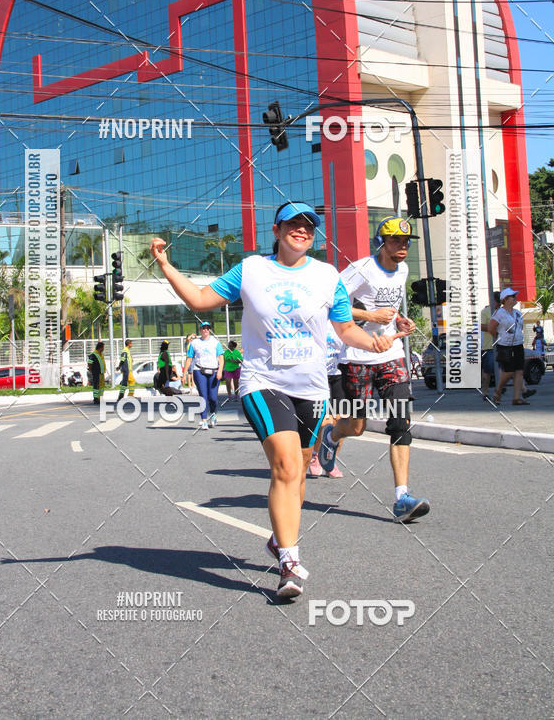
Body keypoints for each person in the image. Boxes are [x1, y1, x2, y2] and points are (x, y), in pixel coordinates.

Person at [150, 201, 398, 598]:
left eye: (308, 226)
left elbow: (345, 328)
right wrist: (164, 265)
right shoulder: (251, 269)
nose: (302, 230)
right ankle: (289, 562)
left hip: (313, 388)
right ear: (277, 230)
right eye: (293, 224)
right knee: (284, 465)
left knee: (298, 472)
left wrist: (373, 341)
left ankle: (279, 540)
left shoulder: (327, 275)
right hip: (264, 381)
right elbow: (199, 299)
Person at [318, 216, 430, 523]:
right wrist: (369, 314)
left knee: (401, 422)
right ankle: (331, 435)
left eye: (406, 242)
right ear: (382, 241)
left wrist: (399, 323)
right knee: (356, 426)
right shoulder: (362, 269)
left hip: (391, 355)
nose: (402, 247)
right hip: (357, 357)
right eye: (395, 241)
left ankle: (402, 497)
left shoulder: (404, 269)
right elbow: (329, 301)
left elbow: (390, 313)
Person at [309, 322, 346, 479]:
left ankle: (330, 460)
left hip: (340, 373)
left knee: (341, 421)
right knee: (323, 421)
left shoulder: (343, 319)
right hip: (319, 375)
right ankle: (316, 456)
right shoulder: (315, 317)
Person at [488, 287, 529, 405]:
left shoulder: (517, 313)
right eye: (513, 297)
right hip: (505, 346)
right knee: (508, 371)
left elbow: (520, 328)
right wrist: (499, 337)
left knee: (519, 371)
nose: (515, 298)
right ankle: (498, 390)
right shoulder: (499, 313)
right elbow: (491, 328)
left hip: (518, 344)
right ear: (505, 299)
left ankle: (516, 398)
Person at [183, 322, 224, 429]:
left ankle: (213, 413)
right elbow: (189, 358)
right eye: (203, 328)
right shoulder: (195, 343)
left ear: (210, 330)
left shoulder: (215, 342)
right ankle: (204, 419)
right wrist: (184, 374)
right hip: (199, 370)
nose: (205, 330)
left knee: (213, 397)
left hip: (213, 371)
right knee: (203, 396)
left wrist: (220, 371)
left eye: (207, 328)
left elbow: (221, 358)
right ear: (200, 330)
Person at [480, 292, 499, 401]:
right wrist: (493, 328)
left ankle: (499, 389)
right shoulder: (485, 312)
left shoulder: (502, 312)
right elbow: (482, 326)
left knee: (504, 369)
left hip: (501, 344)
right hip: (489, 346)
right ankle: (485, 392)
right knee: (488, 371)